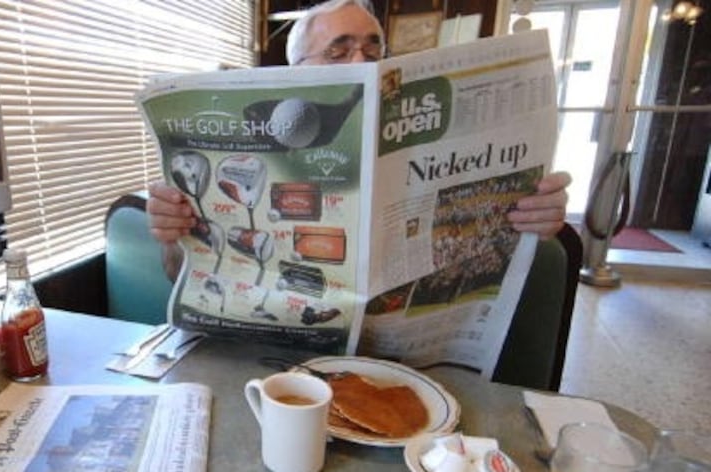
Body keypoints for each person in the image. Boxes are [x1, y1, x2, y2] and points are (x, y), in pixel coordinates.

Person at [146, 0, 570, 280]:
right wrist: (173, 234)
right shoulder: (245, 162)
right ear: (295, 71)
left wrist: (531, 222)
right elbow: (177, 273)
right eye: (337, 51)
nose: (361, 62)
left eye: (373, 50)